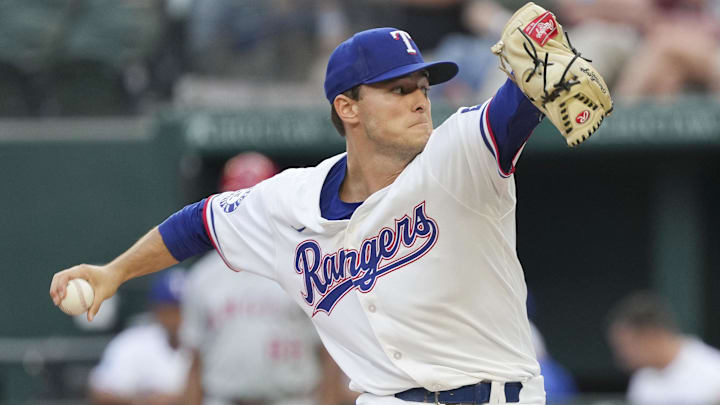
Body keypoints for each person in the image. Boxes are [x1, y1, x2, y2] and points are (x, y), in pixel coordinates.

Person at [53, 19, 568, 404]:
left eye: (422, 89)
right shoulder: (289, 202)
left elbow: (508, 113)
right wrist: (113, 272)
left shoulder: (457, 156)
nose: (419, 102)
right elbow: (198, 223)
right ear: (348, 108)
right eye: (398, 89)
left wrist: (541, 62)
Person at [182, 152, 357, 405]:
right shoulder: (204, 276)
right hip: (224, 398)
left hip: (292, 397)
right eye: (237, 202)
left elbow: (329, 354)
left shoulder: (305, 267)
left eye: (252, 203)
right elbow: (195, 360)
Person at [88, 269, 190, 405]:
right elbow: (100, 392)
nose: (178, 318)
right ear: (157, 310)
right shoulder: (134, 342)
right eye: (171, 310)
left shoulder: (211, 343)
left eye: (183, 310)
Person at [607, 291, 720, 405]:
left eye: (627, 345)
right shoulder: (642, 379)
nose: (621, 354)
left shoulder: (713, 372)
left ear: (651, 335)